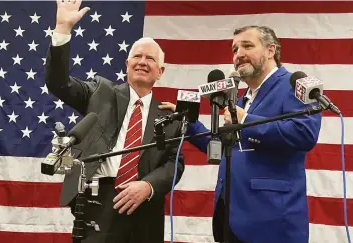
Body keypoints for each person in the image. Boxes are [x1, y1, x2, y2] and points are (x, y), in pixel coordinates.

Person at [159, 25, 322, 243]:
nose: (238, 54)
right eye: (235, 49)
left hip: (271, 221)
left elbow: (304, 133)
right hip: (231, 217)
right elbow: (224, 147)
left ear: (270, 50)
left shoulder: (295, 84)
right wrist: (189, 123)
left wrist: (245, 120)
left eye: (247, 46)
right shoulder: (241, 98)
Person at [45, 1, 185, 242]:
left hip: (146, 205)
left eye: (150, 59)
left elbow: (175, 163)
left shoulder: (169, 117)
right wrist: (62, 30)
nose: (142, 61)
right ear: (127, 65)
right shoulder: (101, 92)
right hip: (99, 199)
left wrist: (148, 186)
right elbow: (58, 83)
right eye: (137, 57)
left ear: (160, 71)